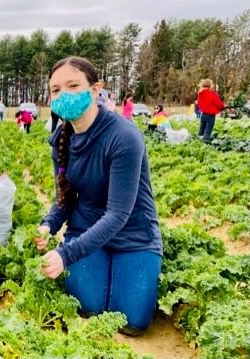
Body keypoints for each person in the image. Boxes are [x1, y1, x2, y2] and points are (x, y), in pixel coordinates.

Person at [33, 56, 162, 336]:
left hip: (134, 235)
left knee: (131, 322)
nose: (63, 94)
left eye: (73, 85)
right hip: (86, 230)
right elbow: (64, 200)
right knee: (87, 307)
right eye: (56, 90)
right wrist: (48, 225)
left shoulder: (123, 136)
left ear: (95, 90)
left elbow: (118, 214)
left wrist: (66, 254)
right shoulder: (60, 140)